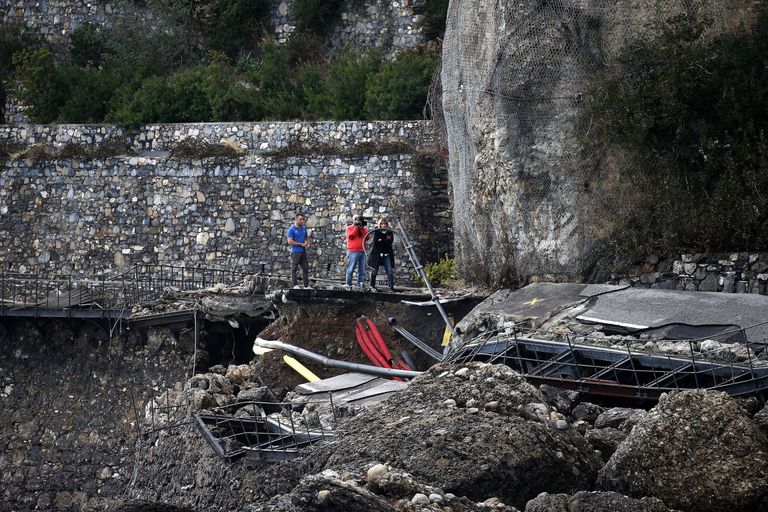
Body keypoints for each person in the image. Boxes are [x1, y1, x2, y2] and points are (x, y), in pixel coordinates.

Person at [368, 217, 395, 291]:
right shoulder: (377, 231)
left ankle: (391, 287)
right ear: (380, 224)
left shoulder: (389, 232)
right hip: (377, 255)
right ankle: (372, 286)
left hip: (386, 254)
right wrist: (385, 240)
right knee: (374, 271)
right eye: (382, 224)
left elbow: (390, 241)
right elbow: (376, 242)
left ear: (386, 224)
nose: (383, 225)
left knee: (389, 271)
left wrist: (381, 240)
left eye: (384, 224)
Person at [287, 213, 311, 288]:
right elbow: (290, 241)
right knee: (294, 268)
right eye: (300, 219)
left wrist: (308, 243)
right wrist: (301, 244)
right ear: (296, 219)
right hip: (295, 252)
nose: (302, 221)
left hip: (303, 252)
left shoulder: (304, 229)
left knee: (306, 268)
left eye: (303, 219)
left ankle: (306, 286)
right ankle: (295, 285)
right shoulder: (291, 229)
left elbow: (306, 238)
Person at [345, 214, 369, 288]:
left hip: (363, 251)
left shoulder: (364, 229)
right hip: (353, 251)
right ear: (353, 220)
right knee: (350, 269)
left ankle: (360, 286)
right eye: (356, 219)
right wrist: (356, 227)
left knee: (362, 271)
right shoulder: (349, 228)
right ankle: (348, 285)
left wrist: (361, 228)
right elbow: (351, 237)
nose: (357, 221)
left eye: (359, 219)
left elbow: (367, 237)